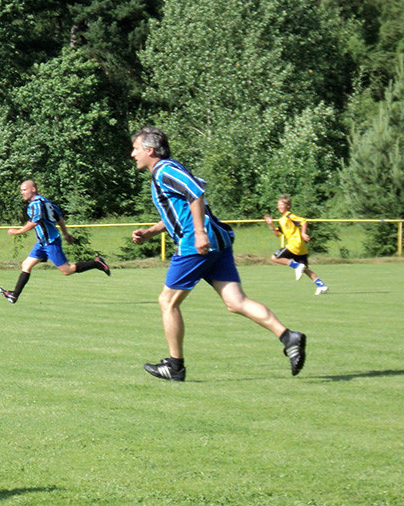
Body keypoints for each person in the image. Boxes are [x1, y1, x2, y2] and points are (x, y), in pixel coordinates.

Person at [129, 126, 307, 381]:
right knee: (236, 302)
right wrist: (151, 232)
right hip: (216, 241)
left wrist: (199, 233)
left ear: (149, 150)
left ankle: (175, 366)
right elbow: (183, 208)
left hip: (195, 244)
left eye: (135, 149)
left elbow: (196, 193)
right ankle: (289, 337)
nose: (133, 154)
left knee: (167, 302)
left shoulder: (165, 170)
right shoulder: (168, 170)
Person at [0, 179, 110, 303]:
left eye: (24, 190)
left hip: (50, 242)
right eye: (21, 190)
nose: (22, 193)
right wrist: (65, 233)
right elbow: (59, 218)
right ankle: (14, 295)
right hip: (42, 243)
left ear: (33, 189)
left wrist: (17, 231)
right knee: (26, 265)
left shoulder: (35, 204)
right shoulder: (46, 202)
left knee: (67, 270)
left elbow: (34, 222)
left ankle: (96, 263)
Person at [263, 195, 328, 295]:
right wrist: (271, 224)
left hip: (294, 244)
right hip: (301, 248)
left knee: (274, 257)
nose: (279, 207)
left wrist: (303, 233)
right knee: (305, 269)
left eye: (282, 205)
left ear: (288, 206)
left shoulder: (289, 216)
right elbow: (277, 234)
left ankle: (297, 266)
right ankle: (321, 286)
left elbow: (303, 221)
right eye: (278, 205)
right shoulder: (281, 219)